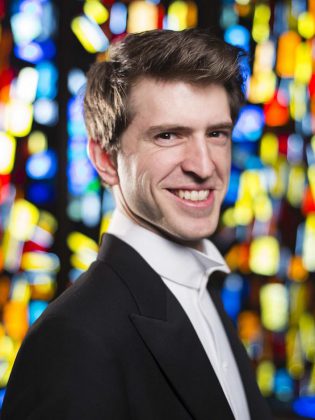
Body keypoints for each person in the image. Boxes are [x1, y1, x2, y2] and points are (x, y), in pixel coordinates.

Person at [2, 29, 273, 420]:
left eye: (216, 134)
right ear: (105, 160)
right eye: (168, 135)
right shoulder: (72, 341)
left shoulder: (203, 291)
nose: (204, 166)